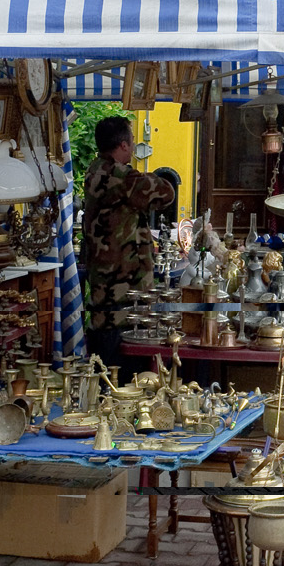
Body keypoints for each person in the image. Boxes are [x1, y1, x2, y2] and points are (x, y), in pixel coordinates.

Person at [82, 115, 177, 374]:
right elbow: (167, 191)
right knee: (125, 375)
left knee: (104, 369)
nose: (134, 146)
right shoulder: (120, 176)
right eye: (132, 141)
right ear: (123, 145)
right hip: (124, 296)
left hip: (104, 291)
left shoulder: (95, 170)